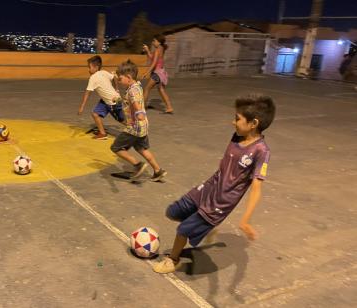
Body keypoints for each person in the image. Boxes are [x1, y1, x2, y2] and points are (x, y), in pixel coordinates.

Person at [153, 94, 276, 273]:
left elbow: (256, 188)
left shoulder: (261, 151)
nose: (233, 122)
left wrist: (246, 220)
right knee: (172, 212)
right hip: (208, 188)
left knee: (183, 229)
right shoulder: (238, 136)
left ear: (253, 124)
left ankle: (173, 259)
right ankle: (203, 228)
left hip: (220, 203)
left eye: (237, 119)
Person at [110, 59, 167, 181]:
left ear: (129, 77)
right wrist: (120, 100)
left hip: (134, 127)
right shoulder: (137, 86)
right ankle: (158, 171)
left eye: (120, 79)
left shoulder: (132, 90)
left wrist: (139, 112)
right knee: (142, 149)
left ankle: (137, 165)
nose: (119, 82)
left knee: (116, 147)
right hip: (143, 126)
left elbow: (135, 103)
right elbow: (131, 101)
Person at [78, 56, 124, 140]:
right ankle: (103, 133)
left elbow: (87, 93)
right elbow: (114, 77)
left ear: (96, 67)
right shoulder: (104, 72)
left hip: (112, 102)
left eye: (89, 67)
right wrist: (116, 89)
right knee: (95, 113)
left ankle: (136, 130)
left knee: (121, 120)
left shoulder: (93, 78)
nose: (89, 69)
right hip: (110, 99)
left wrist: (81, 107)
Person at [142, 34, 173, 114]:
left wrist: (146, 72)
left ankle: (143, 107)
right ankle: (169, 107)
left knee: (146, 89)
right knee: (161, 89)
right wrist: (147, 50)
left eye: (154, 41)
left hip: (157, 73)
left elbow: (153, 63)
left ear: (158, 42)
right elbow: (152, 58)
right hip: (161, 72)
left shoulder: (157, 50)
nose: (153, 42)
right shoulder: (161, 48)